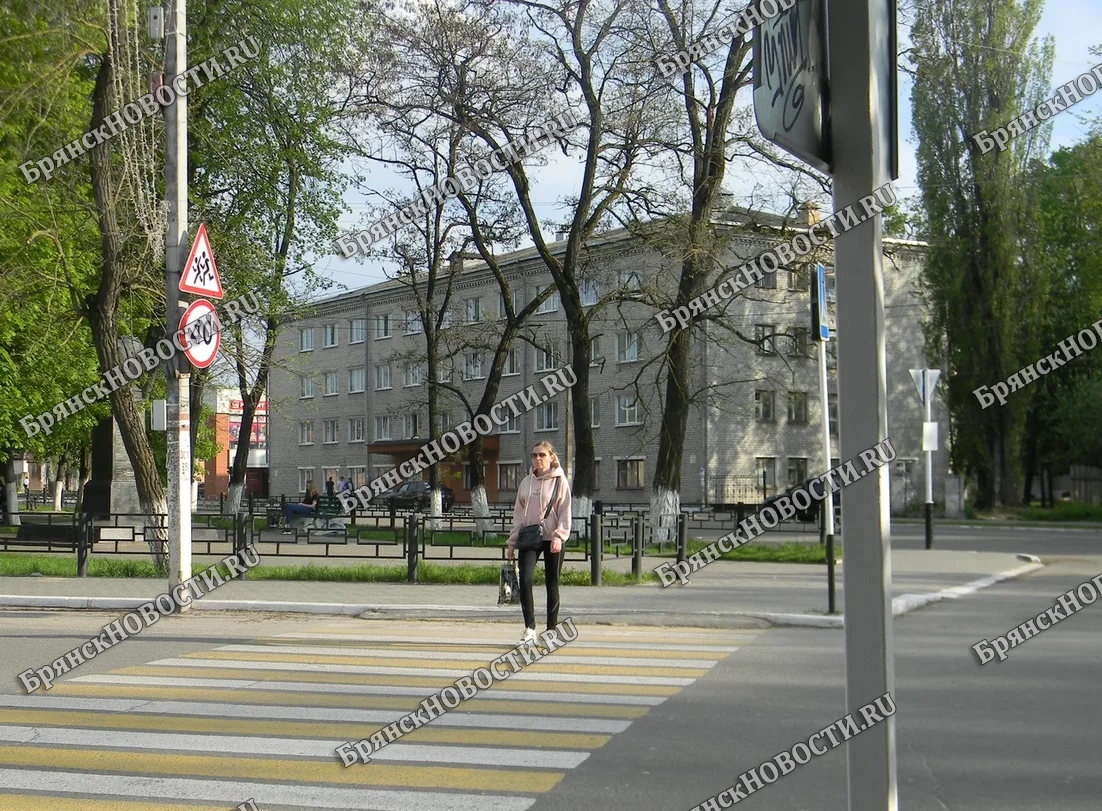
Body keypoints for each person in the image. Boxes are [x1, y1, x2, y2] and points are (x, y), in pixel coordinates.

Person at [506, 441, 572, 646]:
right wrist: (511, 542)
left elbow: (565, 511)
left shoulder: (560, 481)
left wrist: (559, 537)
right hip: (529, 538)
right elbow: (518, 515)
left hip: (553, 539)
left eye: (542, 455)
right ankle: (530, 629)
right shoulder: (526, 482)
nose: (537, 459)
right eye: (534, 455)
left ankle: (551, 631)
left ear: (551, 457)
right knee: (525, 581)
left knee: (552, 584)